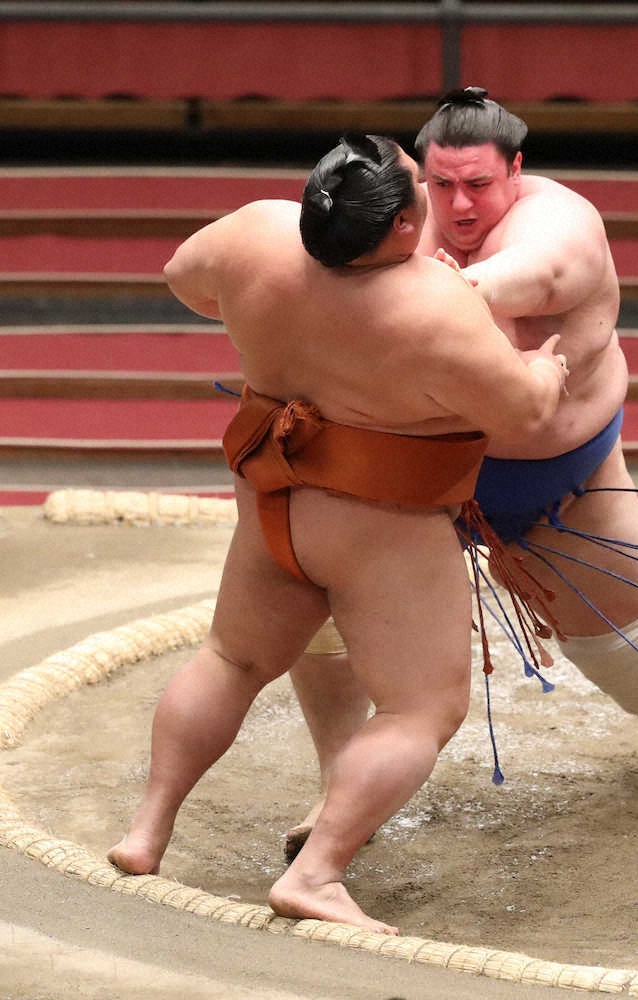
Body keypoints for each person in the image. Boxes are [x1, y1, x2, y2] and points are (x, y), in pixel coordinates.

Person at [282, 90, 638, 862]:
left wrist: (423, 288)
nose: (458, 204)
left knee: (628, 632)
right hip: (409, 483)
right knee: (325, 610)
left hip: (560, 477)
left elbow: (536, 278)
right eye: (442, 185)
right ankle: (337, 783)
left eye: (479, 185)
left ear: (515, 171)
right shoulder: (394, 231)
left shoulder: (560, 222)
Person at [107, 133, 568, 935]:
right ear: (398, 228)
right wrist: (548, 372)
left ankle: (146, 832)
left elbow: (184, 276)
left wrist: (273, 330)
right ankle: (316, 873)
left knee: (232, 659)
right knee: (420, 709)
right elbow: (525, 413)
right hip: (377, 525)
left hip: (273, 500)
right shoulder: (431, 302)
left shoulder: (257, 232)